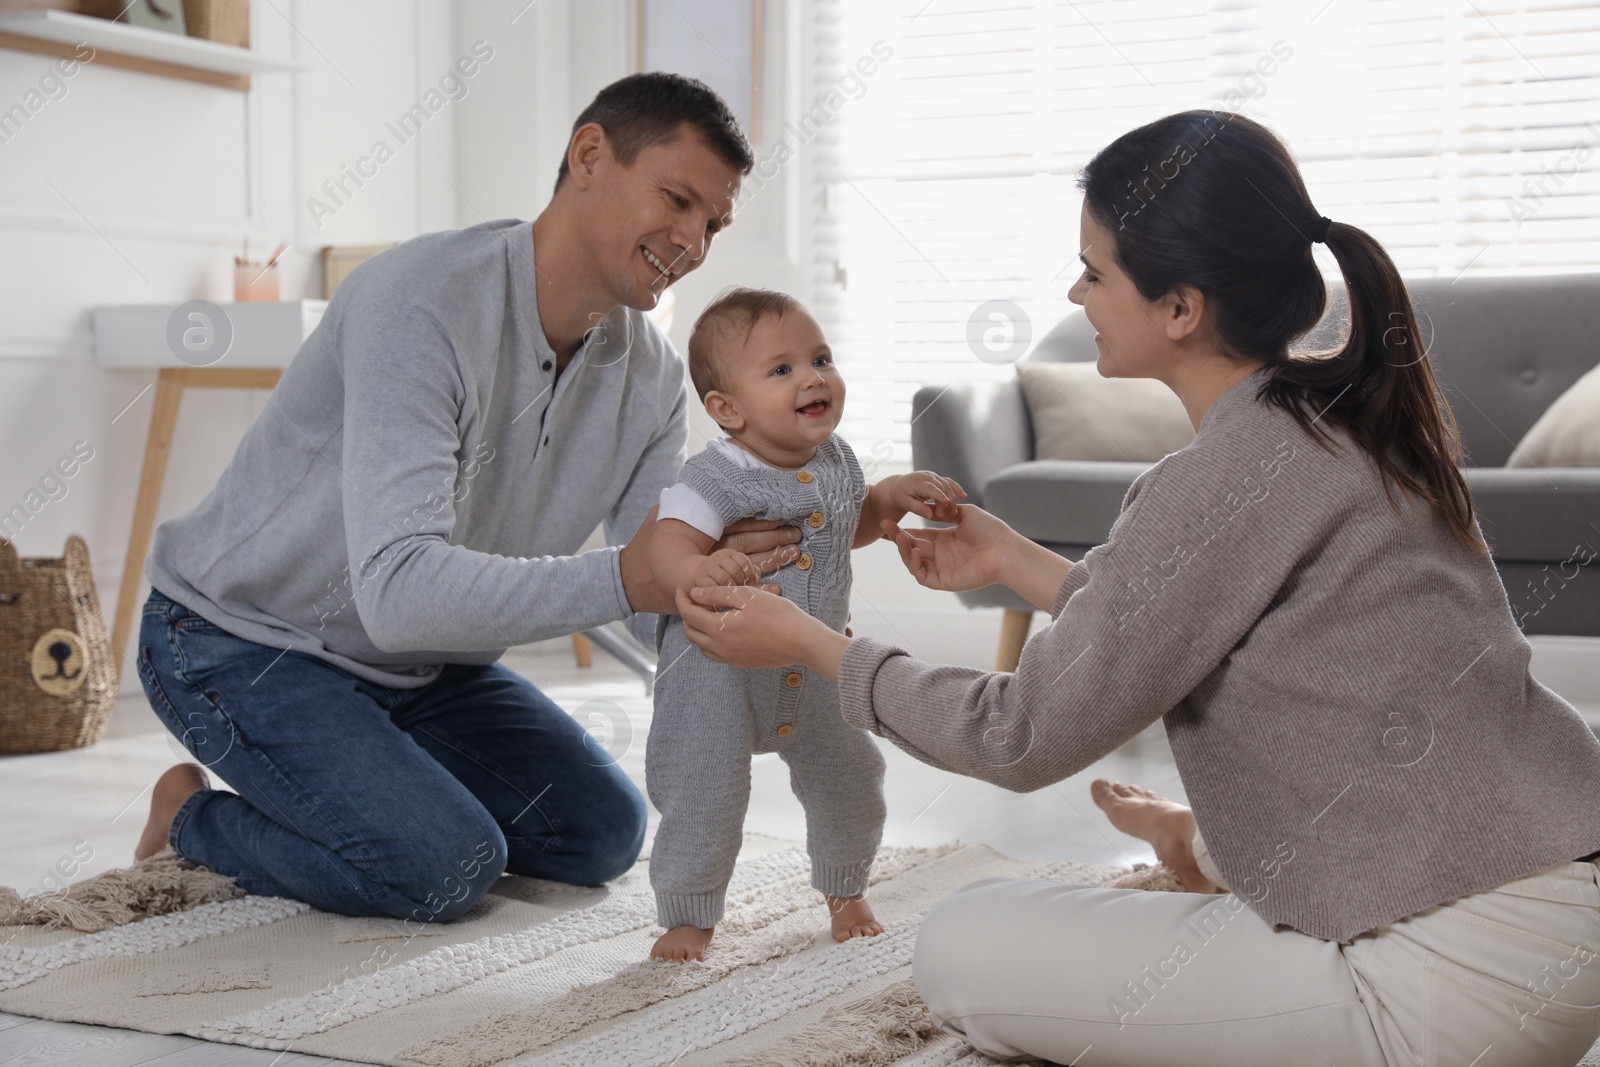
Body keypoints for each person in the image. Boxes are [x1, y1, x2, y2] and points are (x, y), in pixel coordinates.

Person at [673, 110, 1600, 1065]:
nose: (1076, 294)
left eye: (1093, 271)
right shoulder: (1337, 415)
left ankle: (1228, 876)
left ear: (1181, 306)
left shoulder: (1225, 472)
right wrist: (1012, 561)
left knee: (962, 941)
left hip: (1446, 987)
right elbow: (1182, 626)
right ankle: (1205, 849)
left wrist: (810, 643)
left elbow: (1018, 733)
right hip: (1562, 901)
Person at [130, 73, 804, 925]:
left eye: (712, 221)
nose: (692, 240)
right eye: (676, 199)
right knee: (448, 866)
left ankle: (371, 776)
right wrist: (634, 576)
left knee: (602, 832)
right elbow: (402, 590)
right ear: (589, 154)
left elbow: (651, 592)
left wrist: (755, 619)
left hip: (422, 666)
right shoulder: (420, 304)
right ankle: (191, 817)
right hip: (240, 642)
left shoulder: (655, 378)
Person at [643, 287, 964, 961]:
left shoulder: (836, 459)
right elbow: (667, 543)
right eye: (782, 368)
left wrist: (890, 499)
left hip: (817, 662)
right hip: (715, 674)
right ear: (727, 409)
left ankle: (845, 891)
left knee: (851, 775)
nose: (813, 376)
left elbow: (848, 524)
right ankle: (689, 915)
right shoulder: (714, 478)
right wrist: (697, 571)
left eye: (820, 357)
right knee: (704, 791)